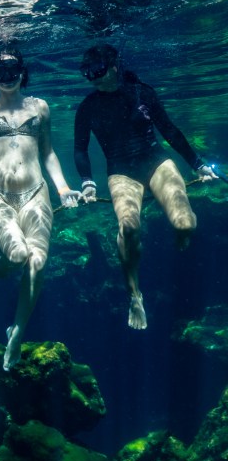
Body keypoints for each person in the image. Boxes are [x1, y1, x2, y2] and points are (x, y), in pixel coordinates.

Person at [74, 43, 218, 330]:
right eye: (87, 73)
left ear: (115, 66)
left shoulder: (142, 92)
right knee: (128, 227)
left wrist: (197, 164)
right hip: (120, 171)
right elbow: (80, 149)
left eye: (99, 71)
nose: (94, 78)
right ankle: (134, 294)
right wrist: (88, 183)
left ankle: (181, 234)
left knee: (186, 223)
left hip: (156, 162)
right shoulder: (88, 107)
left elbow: (170, 131)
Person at [0, 46, 80, 371]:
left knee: (37, 262)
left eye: (12, 69)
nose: (7, 77)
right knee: (17, 255)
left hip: (36, 194)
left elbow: (49, 153)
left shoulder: (40, 107)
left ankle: (18, 329)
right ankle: (2, 258)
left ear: (22, 71)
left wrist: (63, 188)